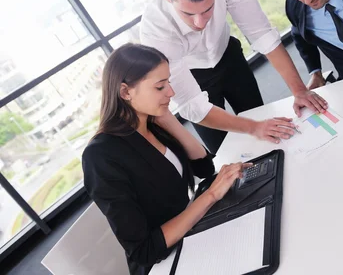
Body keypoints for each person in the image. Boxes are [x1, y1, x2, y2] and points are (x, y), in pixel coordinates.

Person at [82, 44, 251, 275]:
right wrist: (211, 195)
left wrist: (167, 119)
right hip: (165, 261)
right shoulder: (100, 156)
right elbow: (144, 250)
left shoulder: (150, 124)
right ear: (125, 92)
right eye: (160, 86)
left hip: (191, 232)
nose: (170, 92)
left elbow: (203, 166)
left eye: (168, 82)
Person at [141, 0, 327, 153]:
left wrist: (299, 91)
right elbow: (192, 105)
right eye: (189, 14)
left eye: (207, 9)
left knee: (263, 122)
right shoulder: (155, 30)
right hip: (191, 73)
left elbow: (263, 36)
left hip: (227, 54)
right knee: (225, 151)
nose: (200, 23)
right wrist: (253, 128)